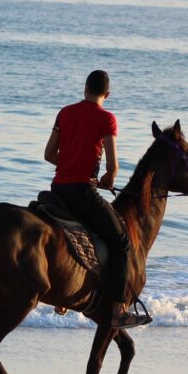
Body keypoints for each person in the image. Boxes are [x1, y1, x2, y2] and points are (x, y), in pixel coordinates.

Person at [43, 70, 150, 329]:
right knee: (122, 242)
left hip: (58, 189)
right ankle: (118, 310)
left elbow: (48, 154)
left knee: (76, 233)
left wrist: (68, 165)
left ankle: (65, 296)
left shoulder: (65, 112)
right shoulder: (107, 119)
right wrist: (106, 180)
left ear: (85, 89)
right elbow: (112, 168)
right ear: (107, 94)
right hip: (83, 192)